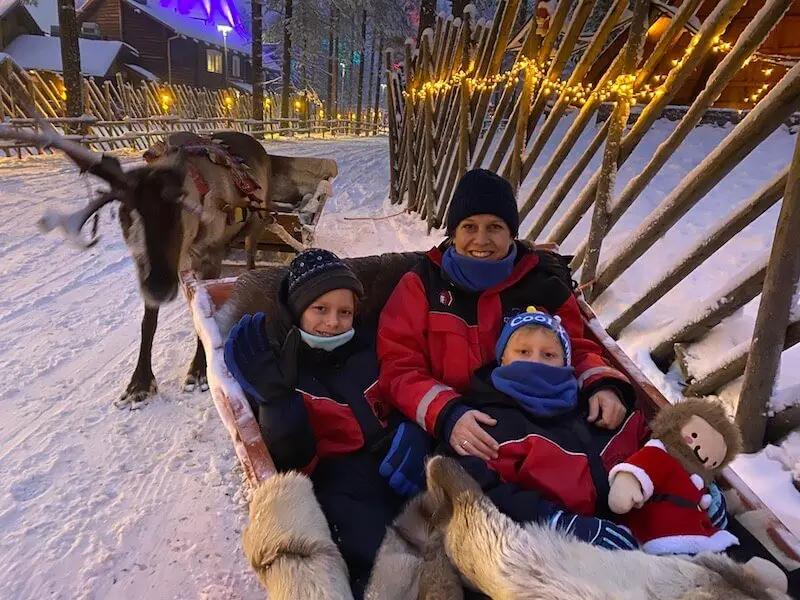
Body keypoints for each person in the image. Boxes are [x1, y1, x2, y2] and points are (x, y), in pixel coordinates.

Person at [378, 168, 646, 548]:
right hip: (467, 426)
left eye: (495, 227)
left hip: (541, 419)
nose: (481, 240)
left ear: (512, 233)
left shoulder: (541, 281)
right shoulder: (422, 285)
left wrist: (601, 383)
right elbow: (398, 365)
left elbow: (578, 344)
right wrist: (445, 414)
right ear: (453, 232)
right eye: (469, 226)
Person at [224, 248, 429, 598]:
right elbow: (293, 462)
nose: (332, 322)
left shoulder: (373, 350)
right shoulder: (286, 371)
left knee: (442, 531)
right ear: (297, 310)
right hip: (338, 481)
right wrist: (277, 402)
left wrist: (416, 434)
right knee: (371, 548)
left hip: (396, 463)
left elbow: (404, 390)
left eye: (344, 312)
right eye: (320, 309)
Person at [439, 305, 649, 549]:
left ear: (564, 363)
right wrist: (554, 521)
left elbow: (650, 443)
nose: (535, 363)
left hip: (640, 530)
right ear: (503, 359)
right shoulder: (490, 421)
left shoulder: (596, 406)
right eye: (523, 352)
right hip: (544, 548)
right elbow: (472, 484)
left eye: (549, 355)